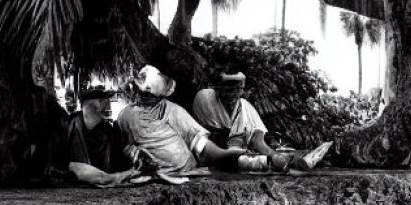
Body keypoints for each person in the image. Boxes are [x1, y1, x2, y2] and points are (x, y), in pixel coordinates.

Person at [119, 66, 289, 179]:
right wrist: (131, 151)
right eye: (144, 93)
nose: (232, 93)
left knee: (245, 161)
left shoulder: (173, 110)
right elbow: (122, 144)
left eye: (237, 89)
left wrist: (226, 154)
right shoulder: (126, 115)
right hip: (151, 172)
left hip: (189, 167)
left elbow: (199, 142)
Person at [191, 73, 331, 172]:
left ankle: (293, 161)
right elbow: (205, 132)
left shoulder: (246, 107)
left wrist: (274, 155)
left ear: (242, 90)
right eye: (227, 90)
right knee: (256, 162)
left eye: (236, 90)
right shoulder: (205, 98)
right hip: (212, 155)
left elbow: (258, 141)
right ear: (218, 89)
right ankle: (286, 162)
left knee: (272, 160)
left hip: (239, 156)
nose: (231, 95)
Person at [65, 86, 141, 186]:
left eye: (106, 100)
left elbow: (120, 160)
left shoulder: (111, 132)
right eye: (101, 100)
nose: (106, 104)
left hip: (103, 187)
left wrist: (130, 155)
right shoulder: (67, 127)